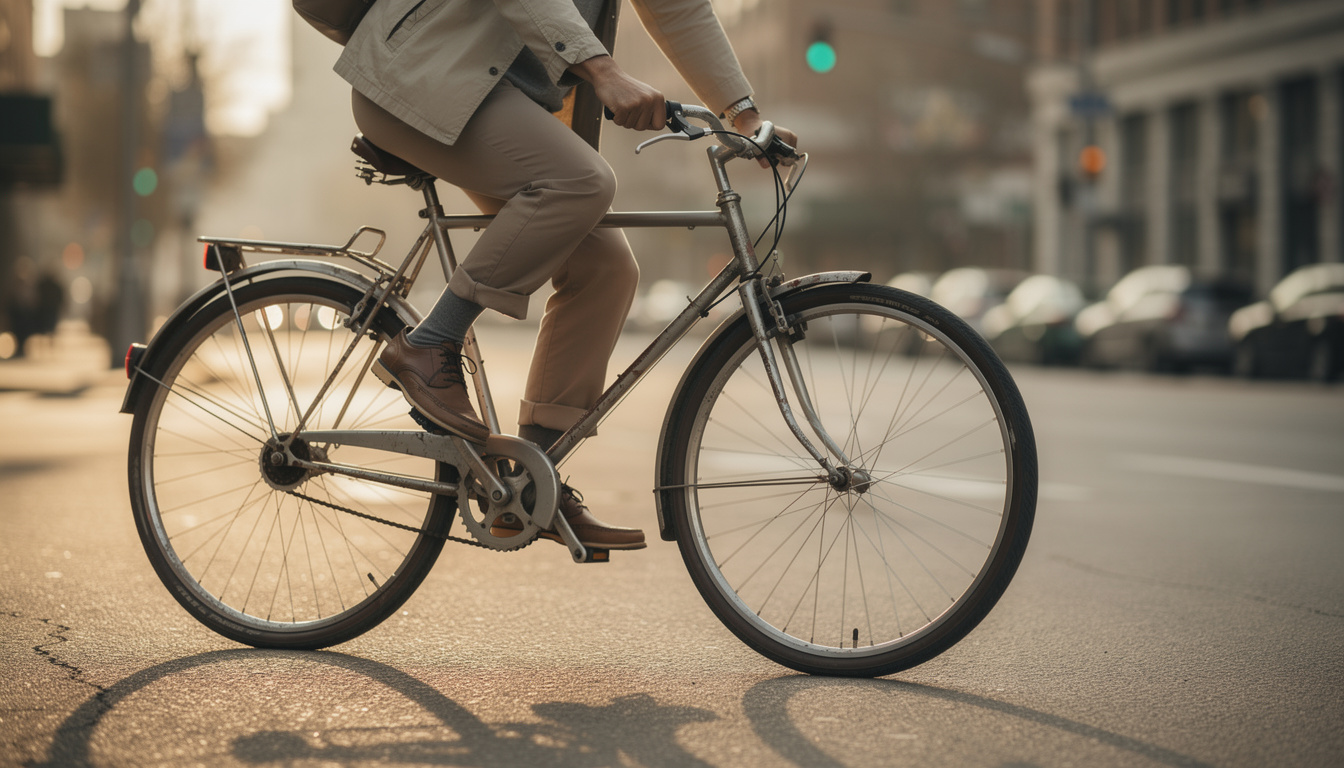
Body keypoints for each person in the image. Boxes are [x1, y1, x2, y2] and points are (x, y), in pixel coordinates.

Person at [335, 0, 797, 550]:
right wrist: (604, 71)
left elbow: (678, 10)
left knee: (605, 266)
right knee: (581, 181)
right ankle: (429, 342)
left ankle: (532, 484)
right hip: (420, 77)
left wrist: (744, 117)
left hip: (495, 96)